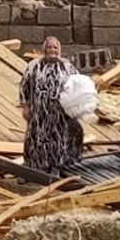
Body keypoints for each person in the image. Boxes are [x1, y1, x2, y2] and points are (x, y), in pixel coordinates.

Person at [18, 36, 84, 174]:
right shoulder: (34, 66)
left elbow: (78, 86)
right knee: (35, 139)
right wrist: (25, 106)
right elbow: (24, 86)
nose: (52, 50)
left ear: (59, 49)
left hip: (61, 114)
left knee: (58, 140)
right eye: (49, 47)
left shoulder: (67, 67)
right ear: (44, 49)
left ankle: (55, 167)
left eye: (55, 47)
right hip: (39, 113)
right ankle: (33, 167)